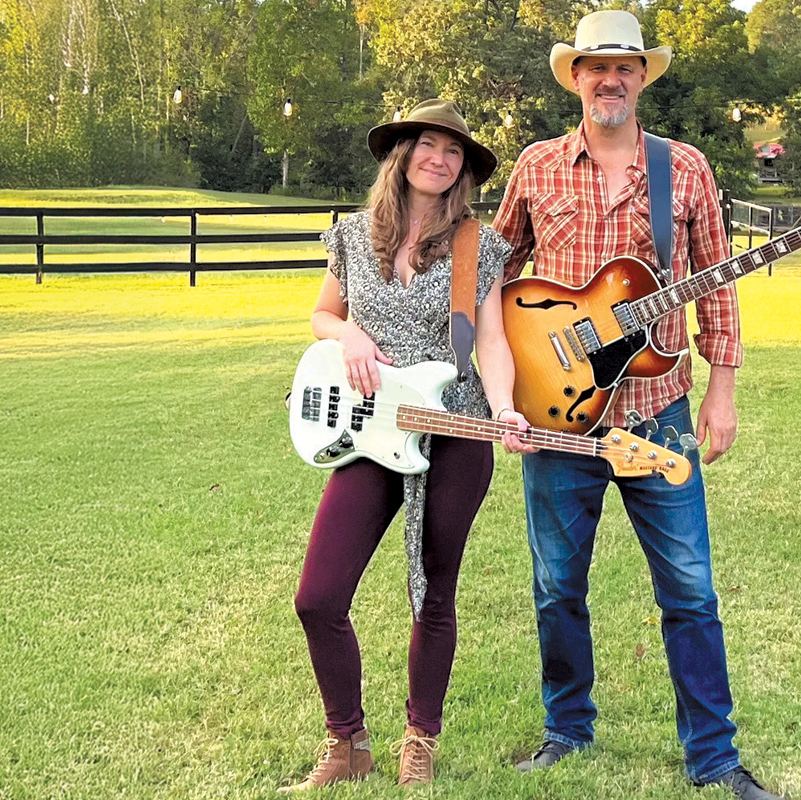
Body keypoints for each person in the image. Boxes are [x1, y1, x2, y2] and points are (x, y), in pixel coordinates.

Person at [493, 11, 783, 800]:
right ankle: (566, 729)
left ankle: (714, 758)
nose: (610, 80)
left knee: (689, 588)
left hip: (659, 409)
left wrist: (722, 389)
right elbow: (494, 275)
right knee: (558, 585)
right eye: (597, 67)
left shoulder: (682, 168)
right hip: (557, 416)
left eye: (624, 66)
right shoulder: (537, 165)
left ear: (644, 77)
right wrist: (509, 377)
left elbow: (717, 283)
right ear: (575, 77)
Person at [280, 99, 533, 792]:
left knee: (434, 594)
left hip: (454, 431)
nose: (439, 159)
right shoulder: (352, 236)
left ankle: (419, 738)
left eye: (454, 152)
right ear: (402, 154)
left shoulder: (476, 246)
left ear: (463, 171)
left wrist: (504, 410)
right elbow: (322, 313)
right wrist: (350, 335)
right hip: (368, 430)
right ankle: (347, 741)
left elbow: (491, 339)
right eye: (428, 144)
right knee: (318, 596)